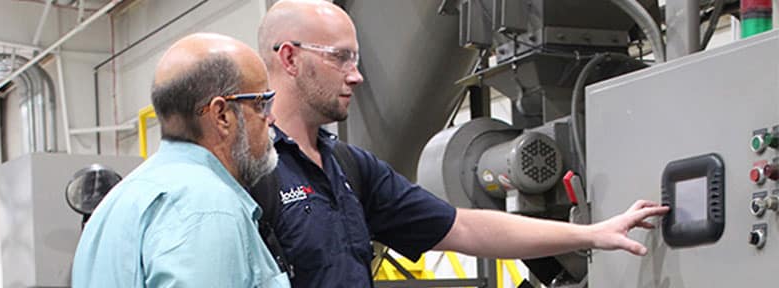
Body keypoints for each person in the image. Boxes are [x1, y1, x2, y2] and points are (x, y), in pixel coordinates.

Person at [255, 1, 670, 287]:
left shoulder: (349, 167)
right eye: (339, 58)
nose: (356, 76)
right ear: (290, 58)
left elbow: (466, 227)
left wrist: (592, 234)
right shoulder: (246, 169)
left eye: (357, 60)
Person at [71, 33, 289, 288]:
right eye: (262, 103)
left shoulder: (115, 204)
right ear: (221, 115)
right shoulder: (207, 208)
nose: (271, 118)